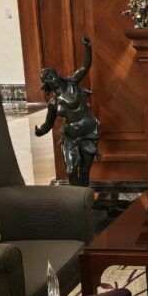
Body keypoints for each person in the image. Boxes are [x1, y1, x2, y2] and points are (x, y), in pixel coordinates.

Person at [35, 36, 101, 186]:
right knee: (71, 170)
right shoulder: (53, 103)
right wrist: (40, 131)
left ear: (56, 74)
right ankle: (75, 197)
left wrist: (88, 47)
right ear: (46, 84)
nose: (51, 78)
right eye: (47, 78)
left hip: (89, 133)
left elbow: (86, 66)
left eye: (51, 74)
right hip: (70, 137)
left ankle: (84, 197)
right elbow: (48, 124)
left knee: (84, 172)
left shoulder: (73, 83)